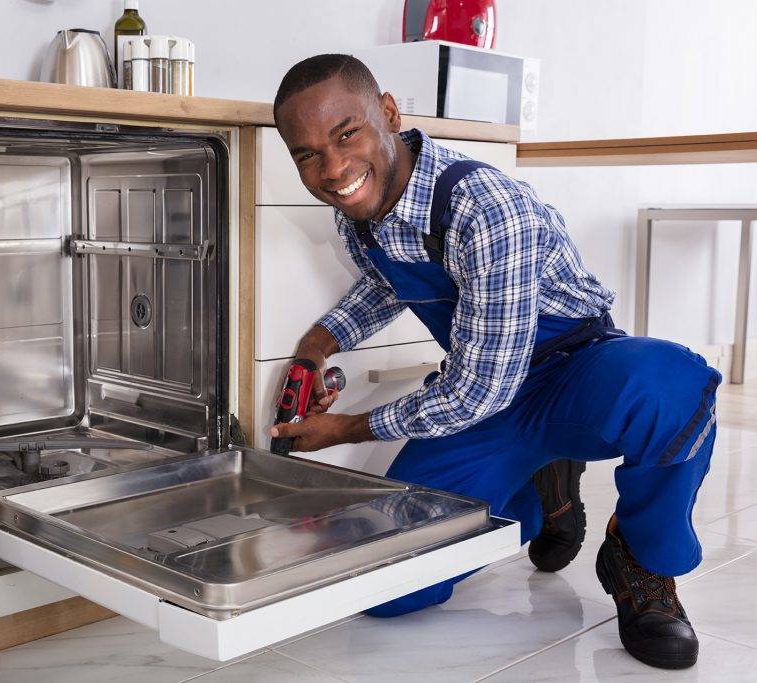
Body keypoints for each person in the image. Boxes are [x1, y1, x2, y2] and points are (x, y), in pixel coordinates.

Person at [269, 54, 720, 671]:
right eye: (307, 155)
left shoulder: (484, 203)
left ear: (389, 114)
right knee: (388, 589)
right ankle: (541, 489)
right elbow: (385, 286)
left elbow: (477, 392)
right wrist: (314, 349)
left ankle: (640, 560)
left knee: (670, 388)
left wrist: (344, 428)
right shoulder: (363, 213)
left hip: (574, 373)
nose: (333, 168)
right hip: (486, 399)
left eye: (345, 135)